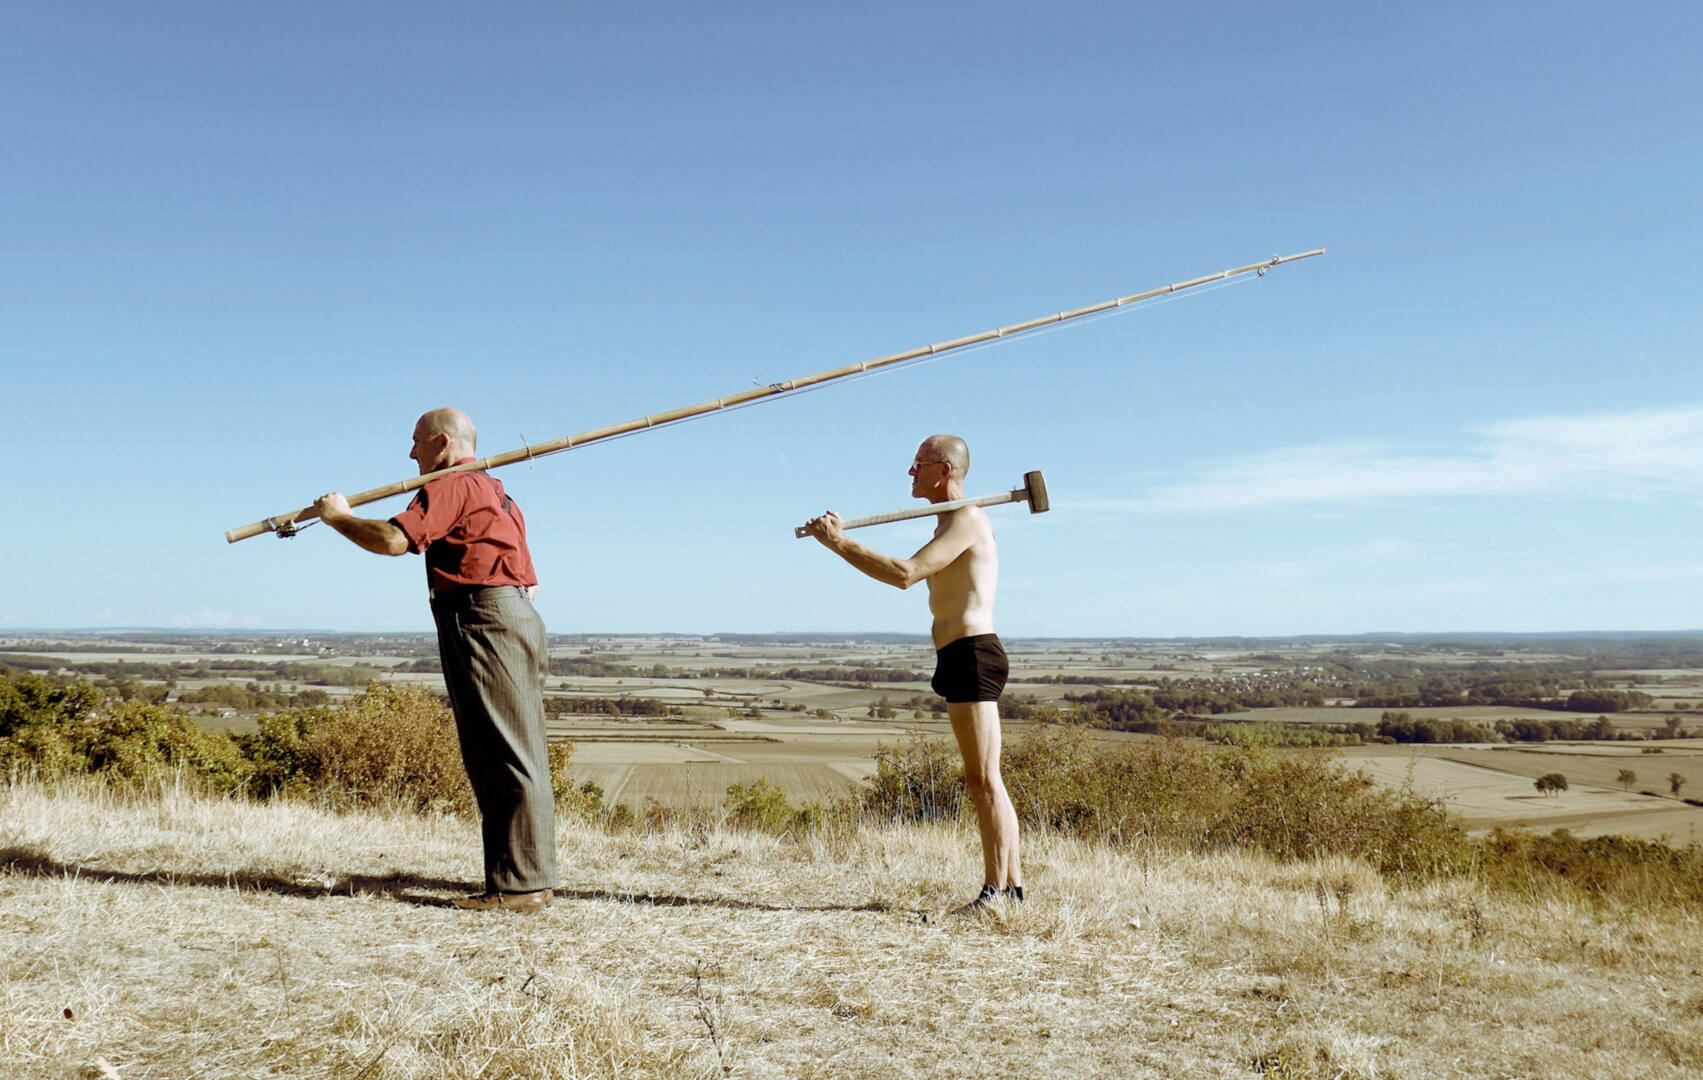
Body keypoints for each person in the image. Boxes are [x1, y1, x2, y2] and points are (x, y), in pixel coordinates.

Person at [313, 408, 557, 913]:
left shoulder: (451, 484)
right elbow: (529, 584)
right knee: (514, 748)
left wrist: (338, 518)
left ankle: (521, 888)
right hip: (509, 615)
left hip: (483, 618)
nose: (410, 454)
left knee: (503, 753)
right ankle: (525, 879)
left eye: (416, 443)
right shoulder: (499, 493)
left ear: (442, 442)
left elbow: (395, 540)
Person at [802, 434, 1022, 914]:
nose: (910, 472)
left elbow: (905, 573)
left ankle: (999, 892)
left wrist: (840, 544)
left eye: (918, 464)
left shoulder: (966, 518)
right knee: (983, 778)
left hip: (973, 653)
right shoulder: (948, 520)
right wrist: (837, 540)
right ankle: (1009, 889)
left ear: (943, 470)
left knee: (983, 778)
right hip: (958, 655)